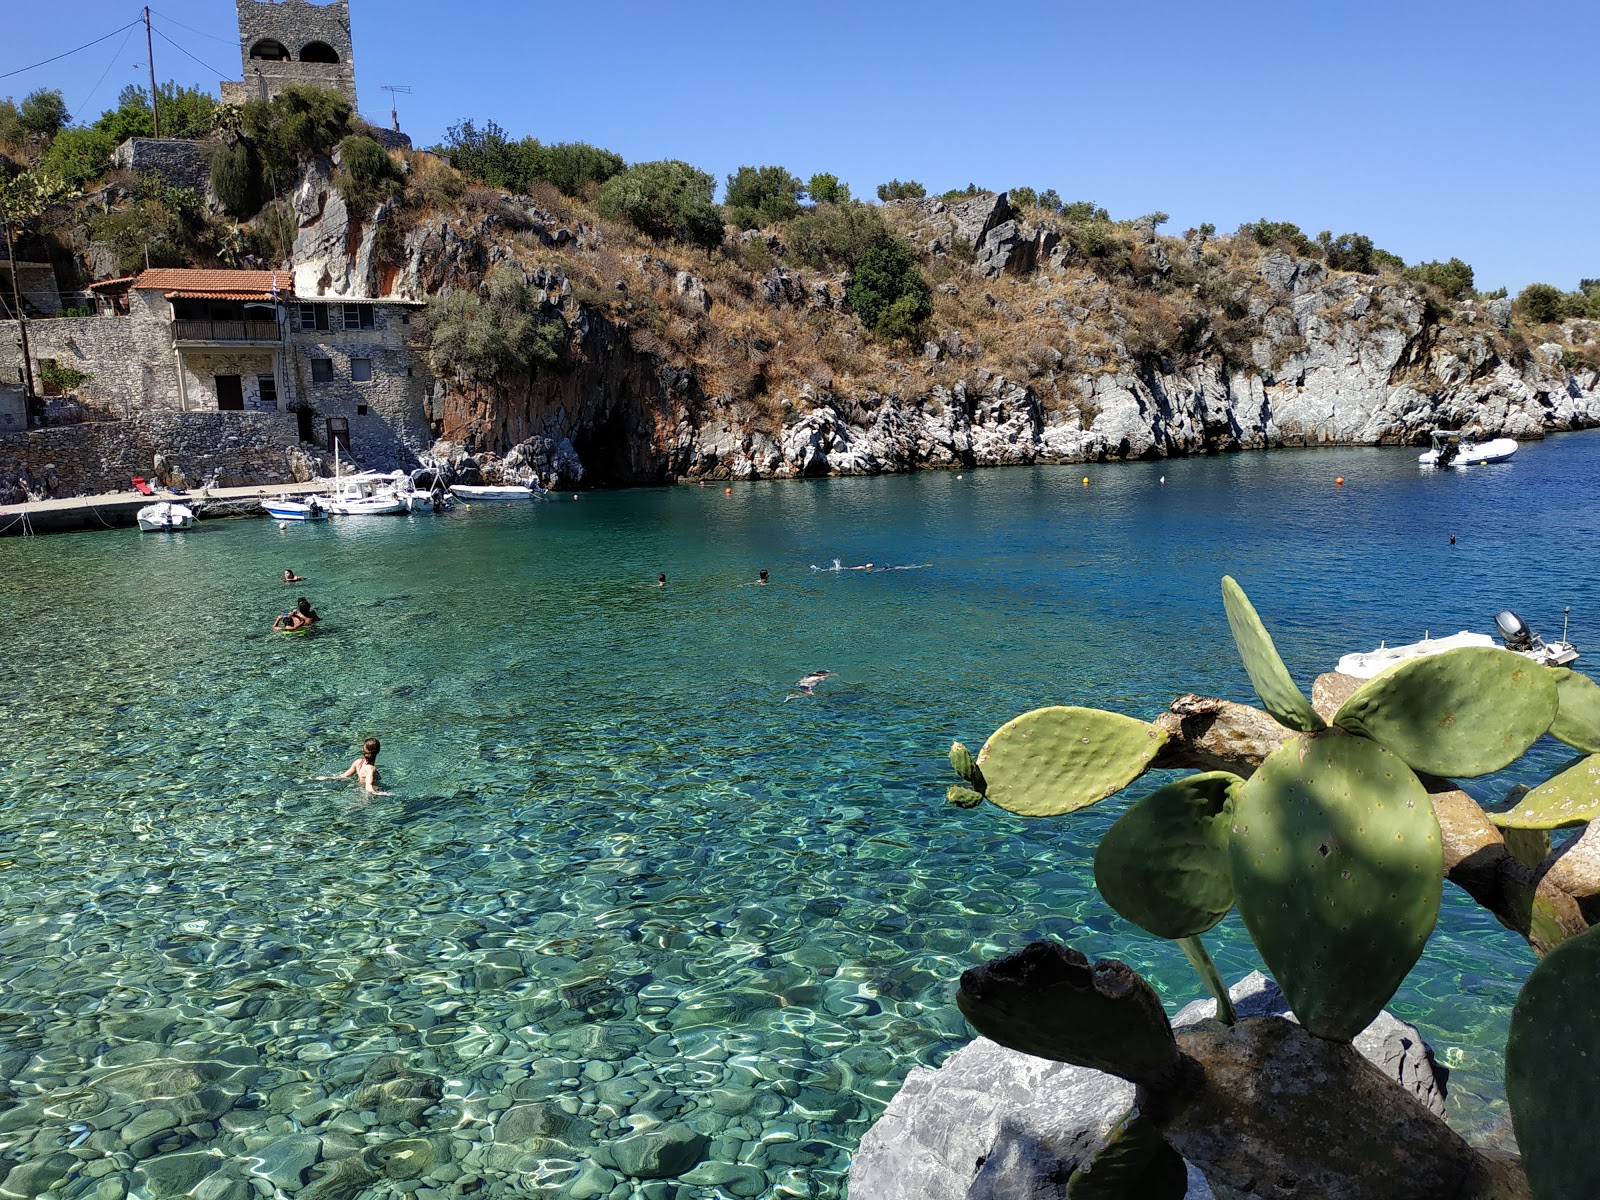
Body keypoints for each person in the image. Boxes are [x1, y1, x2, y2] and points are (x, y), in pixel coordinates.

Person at [317, 737, 389, 795]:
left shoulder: (358, 763)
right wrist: (379, 793)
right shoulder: (371, 769)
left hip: (357, 788)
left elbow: (343, 776)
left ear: (363, 750)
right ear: (378, 751)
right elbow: (368, 785)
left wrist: (327, 778)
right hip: (365, 794)